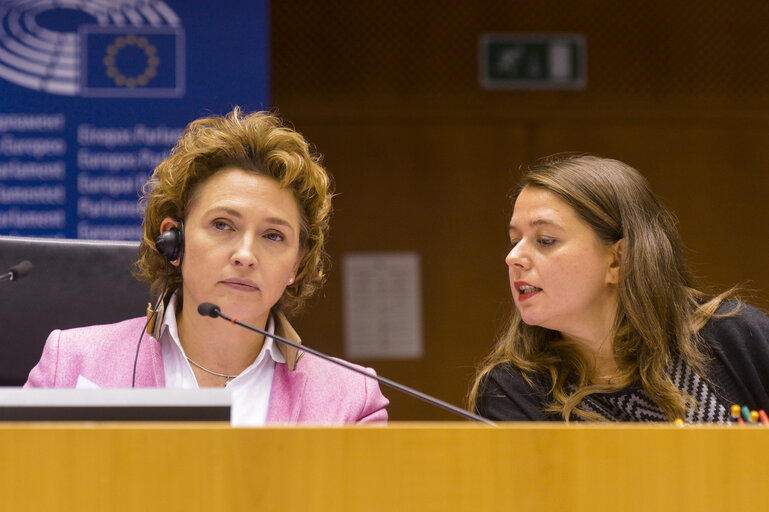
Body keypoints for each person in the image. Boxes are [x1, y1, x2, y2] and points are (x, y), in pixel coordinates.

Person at [25, 107, 389, 425]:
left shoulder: (350, 398)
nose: (246, 254)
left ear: (297, 263)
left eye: (273, 235)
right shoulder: (73, 362)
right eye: (222, 225)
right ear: (174, 241)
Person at [469, 154, 769, 422]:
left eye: (545, 240)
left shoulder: (738, 336)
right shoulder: (512, 391)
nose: (513, 258)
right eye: (514, 241)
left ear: (618, 260)